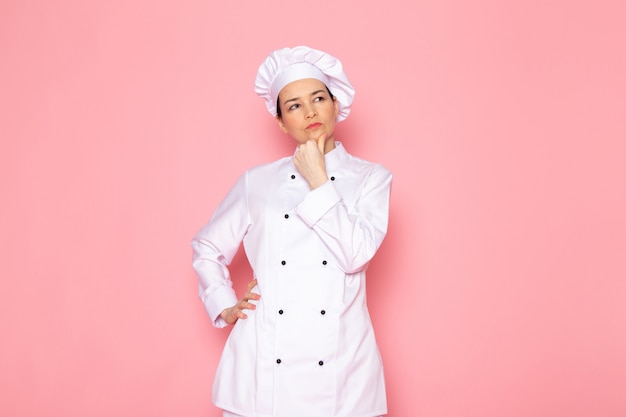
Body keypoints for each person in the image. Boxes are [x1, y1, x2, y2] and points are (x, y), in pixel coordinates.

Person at [192, 45, 392, 417]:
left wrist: (319, 179)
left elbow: (355, 255)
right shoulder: (258, 182)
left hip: (341, 372)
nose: (310, 111)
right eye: (294, 105)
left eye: (318, 98)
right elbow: (206, 245)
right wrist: (224, 302)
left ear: (336, 105)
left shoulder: (371, 178)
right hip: (262, 367)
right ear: (282, 122)